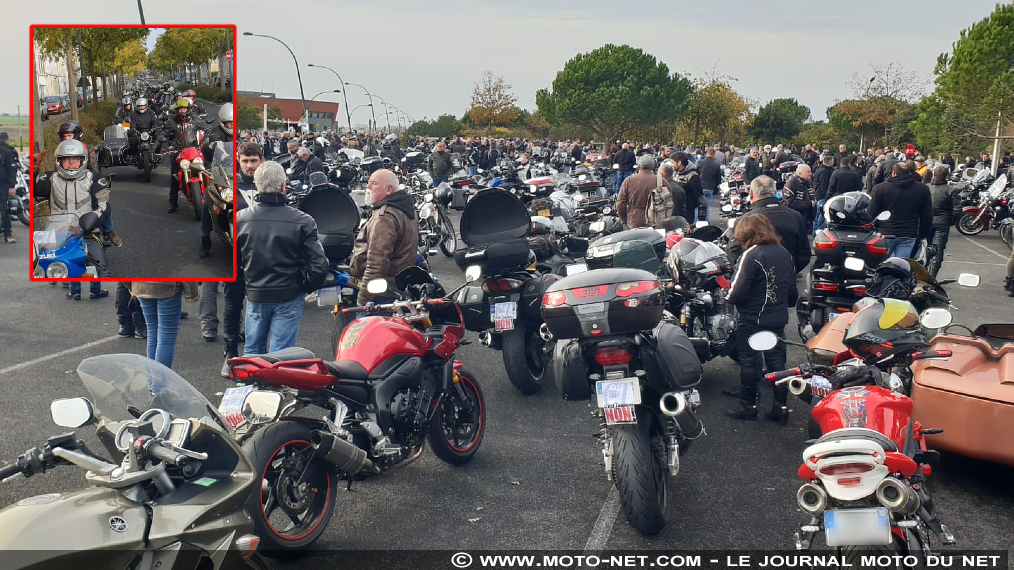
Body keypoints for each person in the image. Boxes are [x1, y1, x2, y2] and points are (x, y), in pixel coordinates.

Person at [236, 161, 327, 355]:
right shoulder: (303, 221)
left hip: (256, 293)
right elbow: (319, 266)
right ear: (283, 186)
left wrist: (246, 285)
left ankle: (251, 376)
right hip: (288, 293)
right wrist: (303, 286)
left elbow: (232, 264)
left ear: (257, 185)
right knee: (282, 355)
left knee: (252, 351)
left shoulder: (240, 219)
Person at [725, 214, 795, 423]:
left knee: (748, 361)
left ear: (745, 233)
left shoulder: (751, 255)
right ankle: (781, 408)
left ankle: (748, 406)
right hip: (777, 318)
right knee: (777, 362)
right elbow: (791, 291)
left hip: (752, 318)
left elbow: (736, 292)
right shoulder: (784, 253)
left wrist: (727, 297)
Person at [32, 139, 110, 300]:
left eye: (76, 159)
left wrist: (87, 224)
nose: (71, 162)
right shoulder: (51, 178)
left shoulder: (94, 178)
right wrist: (33, 169)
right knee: (36, 264)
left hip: (85, 232)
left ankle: (96, 289)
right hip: (55, 234)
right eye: (66, 159)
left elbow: (104, 207)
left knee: (100, 267)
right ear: (59, 161)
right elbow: (34, 189)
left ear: (83, 160)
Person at [349, 169, 419, 306]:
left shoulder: (385, 217)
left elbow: (376, 264)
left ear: (389, 190)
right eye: (368, 183)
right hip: (395, 289)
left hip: (381, 294)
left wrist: (363, 301)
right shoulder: (403, 209)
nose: (368, 187)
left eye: (374, 183)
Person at [728, 175, 811, 274]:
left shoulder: (745, 220)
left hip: (755, 278)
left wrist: (748, 272)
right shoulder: (795, 216)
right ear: (775, 192)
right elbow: (804, 251)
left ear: (751, 194)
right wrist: (790, 268)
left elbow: (733, 250)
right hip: (786, 275)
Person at [868, 161, 933, 259]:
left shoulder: (880, 188)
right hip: (909, 233)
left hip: (885, 232)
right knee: (902, 264)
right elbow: (926, 214)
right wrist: (922, 234)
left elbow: (872, 212)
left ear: (894, 173)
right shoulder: (922, 189)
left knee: (880, 263)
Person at [128, 281, 198, 368]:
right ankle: (160, 376)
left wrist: (131, 286)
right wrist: (191, 293)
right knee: (166, 338)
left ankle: (153, 375)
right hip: (168, 287)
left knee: (152, 332)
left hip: (141, 286)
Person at [197, 102, 234, 258]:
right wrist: (223, 155)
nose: (232, 125)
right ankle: (205, 241)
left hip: (237, 172)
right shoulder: (215, 132)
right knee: (207, 206)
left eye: (234, 122)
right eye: (230, 123)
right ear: (223, 122)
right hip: (219, 171)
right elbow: (215, 144)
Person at [616, 155, 674, 229]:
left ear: (639, 166)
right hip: (657, 221)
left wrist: (624, 219)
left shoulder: (629, 181)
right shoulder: (662, 181)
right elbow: (669, 203)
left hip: (634, 220)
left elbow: (620, 203)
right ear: (652, 166)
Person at [927, 165, 962, 277]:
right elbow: (957, 209)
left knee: (924, 247)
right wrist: (950, 221)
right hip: (942, 222)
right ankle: (932, 276)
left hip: (927, 221)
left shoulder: (926, 188)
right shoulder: (951, 190)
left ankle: (922, 273)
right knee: (938, 249)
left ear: (934, 175)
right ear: (947, 176)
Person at [672, 152, 702, 222]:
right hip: (676, 211)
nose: (672, 165)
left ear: (679, 163)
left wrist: (701, 217)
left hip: (688, 213)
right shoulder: (675, 174)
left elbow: (699, 197)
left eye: (673, 162)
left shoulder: (693, 176)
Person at [782, 163, 814, 228]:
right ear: (800, 173)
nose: (810, 174)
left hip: (807, 219)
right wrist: (809, 204)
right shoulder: (791, 184)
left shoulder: (808, 183)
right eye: (808, 172)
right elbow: (789, 203)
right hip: (794, 220)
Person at [811, 155, 835, 233]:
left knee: (817, 214)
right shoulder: (825, 171)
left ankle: (815, 231)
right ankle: (818, 231)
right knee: (822, 213)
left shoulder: (819, 169)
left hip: (818, 194)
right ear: (830, 162)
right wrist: (827, 195)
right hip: (822, 195)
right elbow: (824, 185)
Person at [697, 148, 722, 221]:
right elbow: (718, 179)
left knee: (698, 206)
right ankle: (706, 221)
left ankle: (697, 221)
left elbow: (696, 175)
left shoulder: (700, 163)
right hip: (709, 187)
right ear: (713, 154)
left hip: (700, 187)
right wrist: (715, 187)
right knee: (707, 206)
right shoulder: (716, 165)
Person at [0, 132, 14, 243]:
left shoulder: (6, 152)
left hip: (3, 186)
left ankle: (8, 234)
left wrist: (11, 186)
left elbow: (11, 170)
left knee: (4, 209)